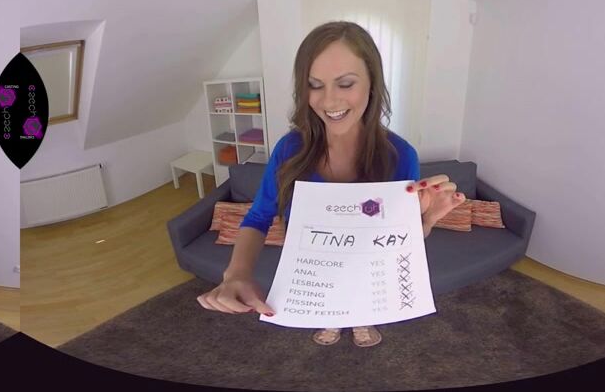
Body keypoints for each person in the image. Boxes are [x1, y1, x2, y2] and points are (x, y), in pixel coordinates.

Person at [195, 21, 466, 347]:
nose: (329, 101)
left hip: (368, 273)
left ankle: (361, 321)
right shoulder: (289, 150)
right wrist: (237, 274)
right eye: (314, 85)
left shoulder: (400, 156)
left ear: (372, 83)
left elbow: (399, 241)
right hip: (315, 277)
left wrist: (426, 221)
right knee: (330, 313)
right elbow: (258, 217)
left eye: (346, 83)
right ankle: (333, 323)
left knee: (361, 310)